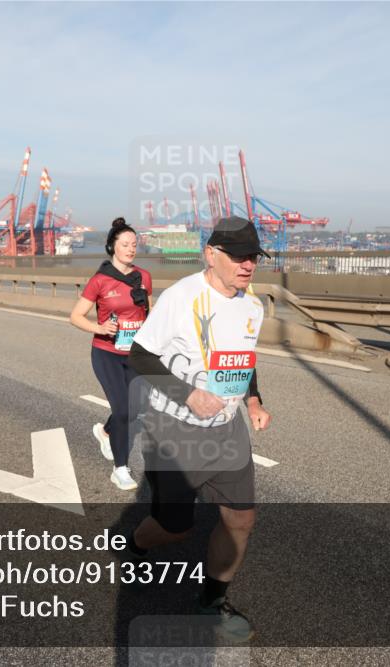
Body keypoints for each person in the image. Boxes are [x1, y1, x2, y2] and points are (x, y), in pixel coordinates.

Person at [125, 216, 272, 642]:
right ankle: (137, 544)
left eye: (253, 257)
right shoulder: (181, 296)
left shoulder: (252, 305)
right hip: (175, 429)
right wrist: (187, 395)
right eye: (239, 256)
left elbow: (244, 359)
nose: (247, 265)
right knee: (175, 528)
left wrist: (254, 401)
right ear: (211, 254)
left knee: (241, 519)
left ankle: (211, 601)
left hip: (228, 429)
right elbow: (140, 355)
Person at [69, 218, 153, 491]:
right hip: (107, 353)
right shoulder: (100, 281)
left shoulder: (144, 277)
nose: (131, 249)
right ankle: (120, 469)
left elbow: (148, 314)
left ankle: (105, 431)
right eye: (125, 244)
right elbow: (75, 316)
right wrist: (99, 327)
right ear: (112, 247)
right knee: (124, 410)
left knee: (135, 408)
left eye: (134, 244)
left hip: (136, 354)